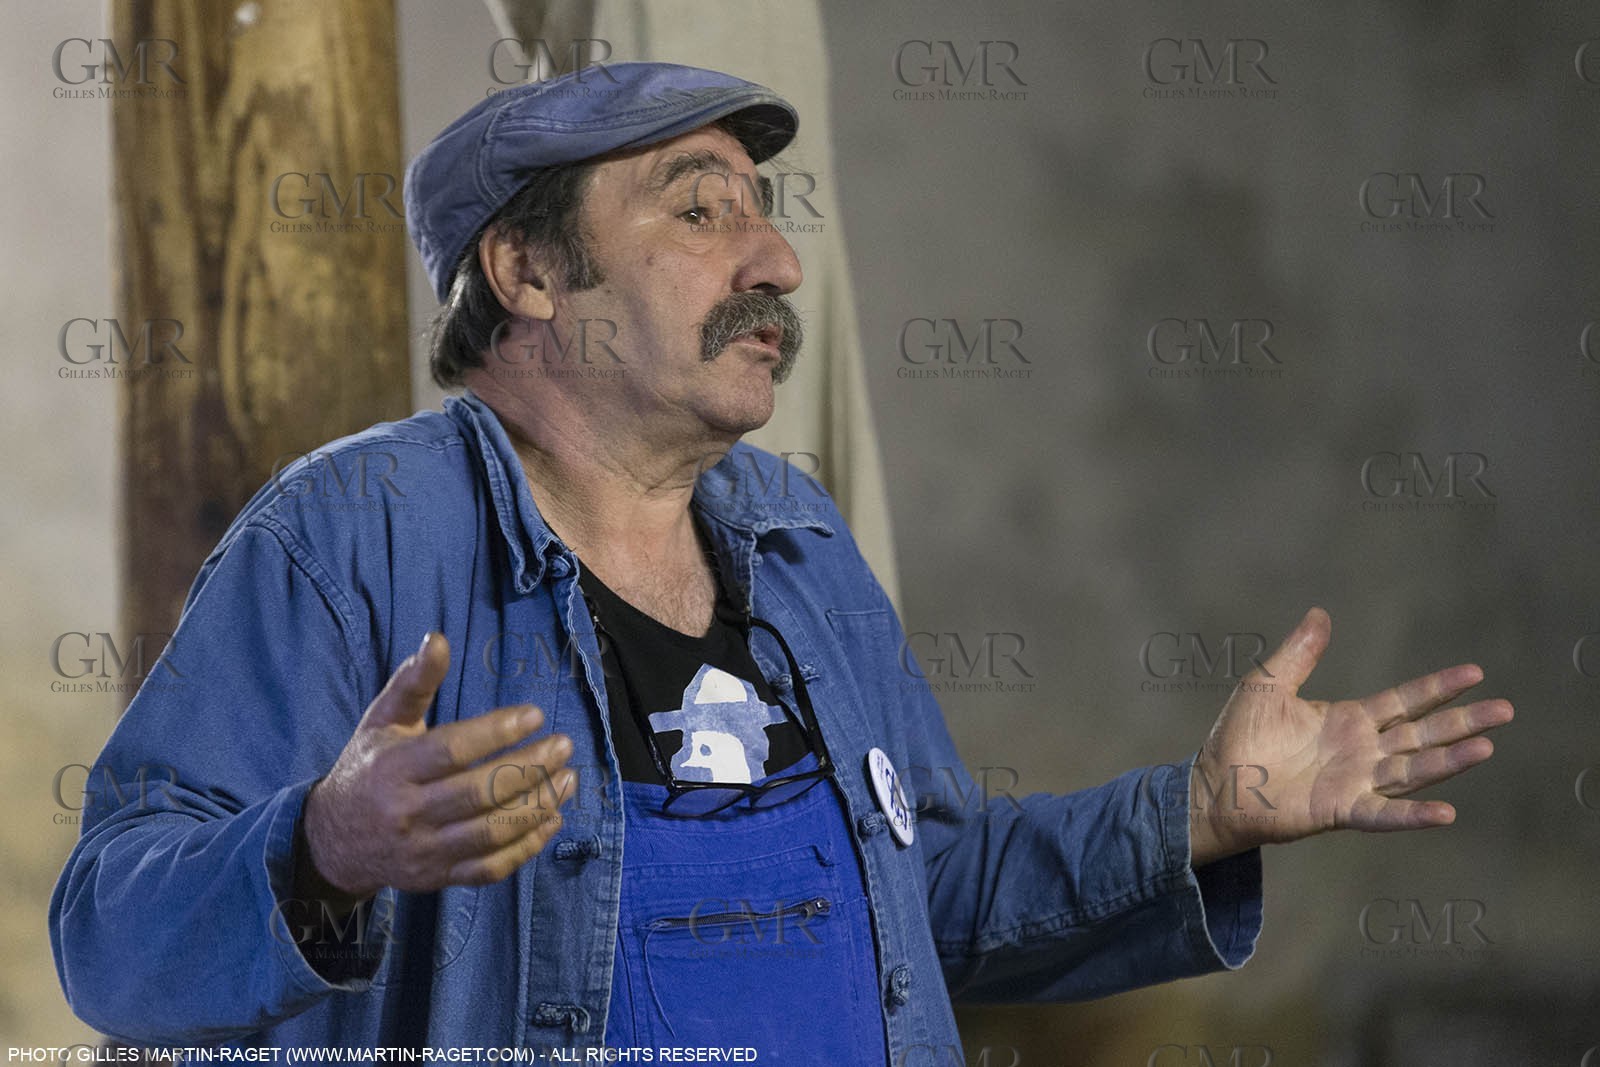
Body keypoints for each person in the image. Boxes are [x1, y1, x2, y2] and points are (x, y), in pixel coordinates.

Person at [50, 62, 1514, 1062]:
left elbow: (931, 897)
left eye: (764, 213)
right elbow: (106, 936)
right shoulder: (350, 539)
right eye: (700, 210)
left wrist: (1195, 815)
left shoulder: (795, 542)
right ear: (530, 273)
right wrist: (318, 849)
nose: (777, 264)